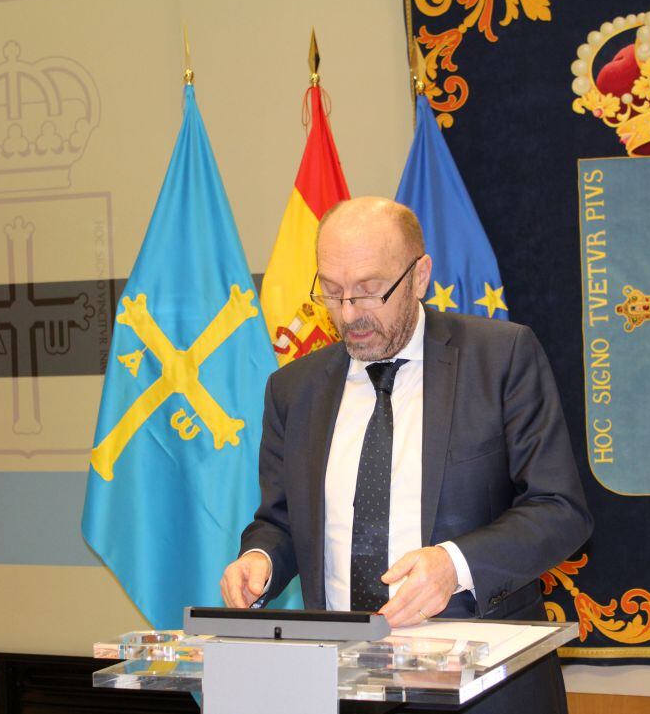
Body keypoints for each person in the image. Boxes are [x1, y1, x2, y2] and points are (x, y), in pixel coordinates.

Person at [221, 197, 592, 712]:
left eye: (370, 292)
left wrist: (453, 564)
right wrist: (259, 558)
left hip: (481, 683)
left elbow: (560, 510)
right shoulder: (293, 389)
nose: (349, 314)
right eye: (332, 292)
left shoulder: (500, 358)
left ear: (419, 277)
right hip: (340, 684)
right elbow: (281, 520)